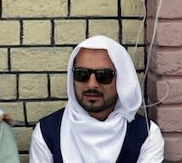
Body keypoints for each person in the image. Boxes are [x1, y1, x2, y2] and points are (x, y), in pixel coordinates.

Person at [29, 35, 164, 163]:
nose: (92, 84)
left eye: (103, 76)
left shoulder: (147, 135)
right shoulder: (46, 132)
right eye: (82, 74)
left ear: (121, 80)